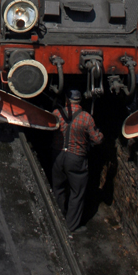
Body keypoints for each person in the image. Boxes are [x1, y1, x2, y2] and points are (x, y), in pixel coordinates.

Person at [51, 90, 103, 234]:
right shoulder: (86, 118)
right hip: (76, 158)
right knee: (77, 193)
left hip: (58, 155)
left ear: (67, 100)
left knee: (58, 188)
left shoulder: (56, 113)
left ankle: (57, 218)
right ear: (80, 101)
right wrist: (102, 134)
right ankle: (71, 227)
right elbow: (96, 140)